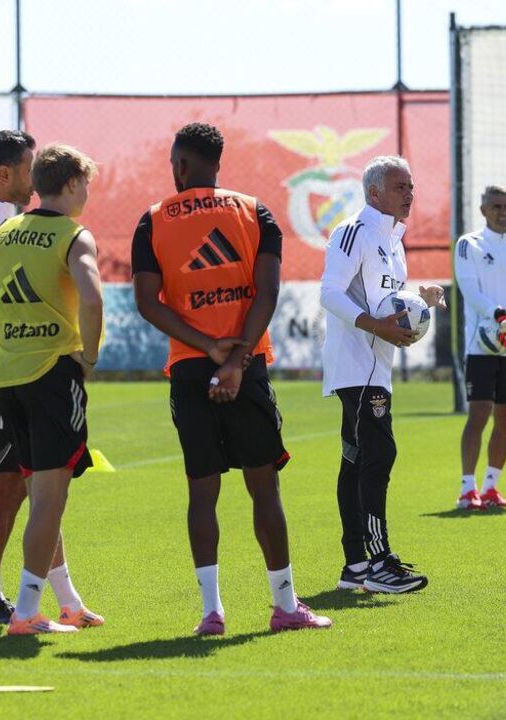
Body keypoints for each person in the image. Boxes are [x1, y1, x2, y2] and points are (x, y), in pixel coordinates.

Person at [132, 123, 331, 634]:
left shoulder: (152, 221)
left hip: (189, 366)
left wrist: (209, 349)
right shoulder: (254, 210)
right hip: (247, 364)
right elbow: (268, 293)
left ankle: (211, 612)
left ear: (180, 164)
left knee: (203, 491)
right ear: (217, 163)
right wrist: (237, 360)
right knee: (264, 488)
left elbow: (146, 304)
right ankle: (285, 608)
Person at [0, 131, 98, 628]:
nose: (36, 182)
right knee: (6, 491)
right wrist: (1, 352)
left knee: (38, 490)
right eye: (29, 169)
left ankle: (66, 598)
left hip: (9, 372)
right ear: (5, 174)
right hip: (2, 376)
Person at [320, 155, 445, 593]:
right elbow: (330, 293)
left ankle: (354, 566)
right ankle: (377, 562)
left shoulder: (393, 239)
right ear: (374, 193)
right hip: (356, 365)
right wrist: (377, 328)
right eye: (399, 187)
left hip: (377, 366)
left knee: (356, 461)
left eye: (410, 186)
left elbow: (384, 297)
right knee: (379, 455)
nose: (409, 194)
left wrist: (420, 295)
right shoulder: (353, 232)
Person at [453, 184, 506, 510]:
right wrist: (500, 314)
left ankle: (491, 487)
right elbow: (469, 289)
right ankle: (466, 488)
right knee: (478, 414)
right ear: (484, 210)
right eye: (497, 207)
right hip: (482, 344)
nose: (503, 212)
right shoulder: (469, 244)